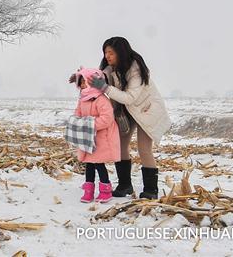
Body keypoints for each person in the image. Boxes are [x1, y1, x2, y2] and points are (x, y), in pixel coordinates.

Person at [88, 37, 171, 200]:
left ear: (121, 52)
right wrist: (92, 77)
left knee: (144, 148)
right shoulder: (111, 68)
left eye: (111, 52)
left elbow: (129, 98)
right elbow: (103, 75)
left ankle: (151, 190)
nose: (107, 56)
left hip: (147, 112)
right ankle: (125, 185)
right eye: (105, 52)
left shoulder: (136, 70)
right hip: (128, 112)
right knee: (120, 145)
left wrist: (104, 87)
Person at [69, 67, 120, 203]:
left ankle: (105, 190)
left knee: (98, 164)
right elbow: (78, 113)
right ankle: (88, 190)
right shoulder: (82, 100)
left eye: (84, 82)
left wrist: (91, 124)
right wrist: (77, 122)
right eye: (80, 83)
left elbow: (107, 118)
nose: (82, 86)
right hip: (87, 138)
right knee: (89, 164)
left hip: (101, 138)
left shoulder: (101, 99)